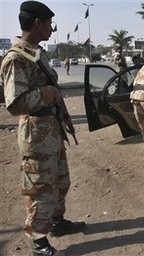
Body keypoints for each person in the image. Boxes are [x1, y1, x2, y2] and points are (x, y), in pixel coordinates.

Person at [0, 1, 85, 255]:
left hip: (52, 128)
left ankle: (57, 222)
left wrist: (65, 116)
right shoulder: (16, 58)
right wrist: (45, 93)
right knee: (40, 187)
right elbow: (14, 104)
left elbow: (55, 92)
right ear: (37, 23)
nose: (52, 28)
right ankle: (38, 241)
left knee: (60, 181)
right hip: (36, 134)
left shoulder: (38, 53)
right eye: (49, 23)